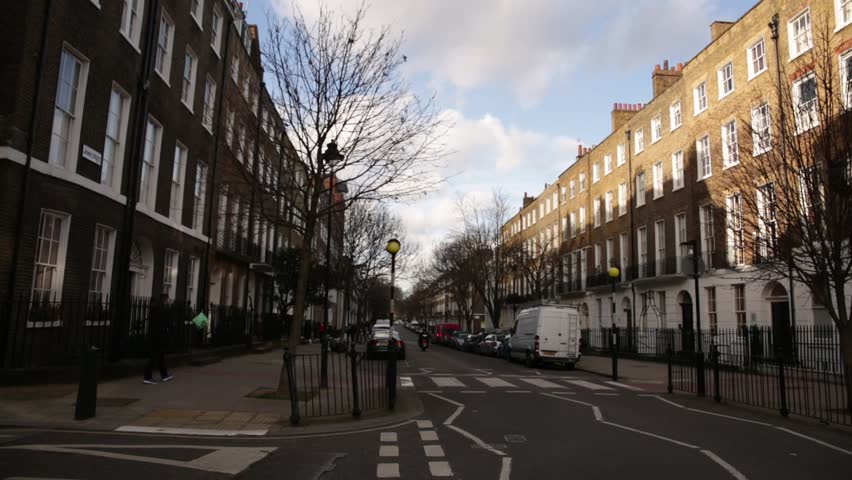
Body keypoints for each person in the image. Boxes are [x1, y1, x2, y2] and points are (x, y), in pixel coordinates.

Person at [144, 293, 173, 384]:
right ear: (165, 300)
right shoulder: (165, 310)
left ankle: (164, 375)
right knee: (154, 356)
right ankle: (147, 377)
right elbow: (168, 324)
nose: (168, 301)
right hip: (160, 336)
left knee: (160, 356)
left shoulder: (154, 308)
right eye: (167, 300)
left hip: (153, 335)